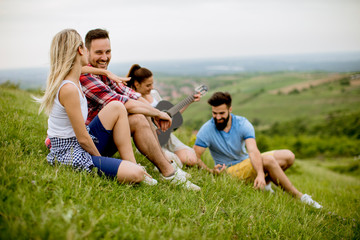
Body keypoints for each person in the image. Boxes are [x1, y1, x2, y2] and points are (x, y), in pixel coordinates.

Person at [79, 28, 200, 191]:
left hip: (106, 135)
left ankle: (164, 165)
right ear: (86, 51)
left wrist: (152, 111)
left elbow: (132, 95)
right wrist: (158, 113)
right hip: (90, 142)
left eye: (108, 51)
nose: (105, 57)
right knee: (136, 116)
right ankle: (168, 172)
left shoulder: (105, 75)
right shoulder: (85, 77)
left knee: (142, 113)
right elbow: (123, 103)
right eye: (98, 52)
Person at [36, 29, 145, 184]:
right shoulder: (69, 89)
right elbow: (82, 139)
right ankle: (132, 168)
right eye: (85, 48)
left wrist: (106, 73)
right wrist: (99, 162)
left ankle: (131, 163)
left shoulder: (72, 76)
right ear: (80, 50)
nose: (87, 51)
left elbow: (84, 69)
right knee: (136, 175)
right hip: (69, 150)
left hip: (79, 141)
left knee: (117, 106)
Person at [193, 92, 322, 208]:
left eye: (222, 113)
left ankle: (264, 184)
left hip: (246, 162)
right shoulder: (207, 129)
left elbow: (253, 151)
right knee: (268, 160)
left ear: (230, 109)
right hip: (229, 171)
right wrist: (211, 171)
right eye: (214, 113)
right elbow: (194, 157)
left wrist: (260, 174)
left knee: (288, 156)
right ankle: (300, 197)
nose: (217, 117)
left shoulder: (242, 123)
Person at [126, 64, 199, 168]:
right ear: (137, 84)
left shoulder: (154, 94)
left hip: (167, 137)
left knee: (191, 159)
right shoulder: (132, 101)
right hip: (150, 140)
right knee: (174, 161)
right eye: (148, 85)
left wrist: (189, 101)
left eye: (152, 84)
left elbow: (169, 115)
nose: (152, 88)